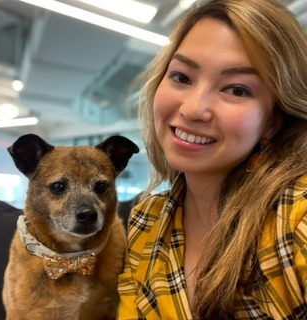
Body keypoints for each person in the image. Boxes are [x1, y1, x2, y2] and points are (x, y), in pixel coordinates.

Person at [117, 0, 307, 319]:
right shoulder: (145, 220)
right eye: (181, 77)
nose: (192, 109)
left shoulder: (296, 220)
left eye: (236, 89)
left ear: (274, 120)